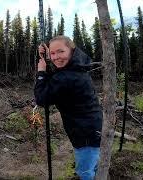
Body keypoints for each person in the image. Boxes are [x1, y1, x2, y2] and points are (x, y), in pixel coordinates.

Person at [34, 35, 103, 180]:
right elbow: (59, 74)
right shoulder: (78, 66)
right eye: (53, 53)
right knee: (93, 164)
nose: (56, 57)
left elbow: (42, 99)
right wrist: (47, 57)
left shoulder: (68, 77)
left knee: (85, 173)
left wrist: (41, 72)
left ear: (71, 50)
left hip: (85, 134)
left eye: (61, 51)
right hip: (93, 127)